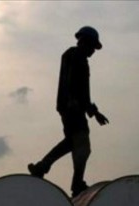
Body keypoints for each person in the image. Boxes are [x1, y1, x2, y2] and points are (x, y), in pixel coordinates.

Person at [28, 26, 109, 197]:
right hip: (74, 108)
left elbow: (79, 89)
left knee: (71, 142)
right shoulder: (77, 57)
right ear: (85, 42)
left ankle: (42, 167)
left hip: (69, 108)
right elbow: (79, 88)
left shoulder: (70, 55)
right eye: (92, 46)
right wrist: (92, 111)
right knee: (83, 146)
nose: (93, 51)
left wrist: (92, 111)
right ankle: (77, 183)